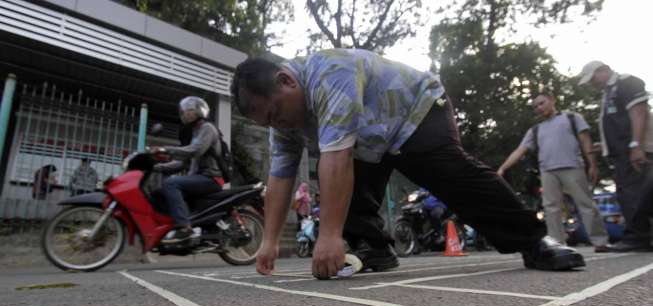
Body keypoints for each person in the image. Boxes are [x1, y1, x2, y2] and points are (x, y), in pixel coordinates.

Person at [231, 49, 585, 280]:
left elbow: (337, 158)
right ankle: (374, 249)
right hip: (370, 139)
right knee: (342, 183)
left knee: (449, 172)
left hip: (416, 110)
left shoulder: (329, 74)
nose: (277, 125)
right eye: (267, 123)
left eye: (275, 114)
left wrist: (329, 236)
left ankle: (535, 241)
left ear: (287, 81)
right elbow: (280, 177)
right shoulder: (282, 123)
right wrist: (270, 241)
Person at [497, 92, 609, 251]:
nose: (539, 108)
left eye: (541, 103)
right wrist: (503, 167)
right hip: (548, 171)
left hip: (572, 166)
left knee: (585, 203)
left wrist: (592, 164)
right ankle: (557, 244)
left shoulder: (572, 118)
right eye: (535, 107)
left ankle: (600, 241)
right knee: (551, 208)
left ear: (552, 100)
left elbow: (585, 140)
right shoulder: (535, 130)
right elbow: (520, 150)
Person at [577, 61, 653, 252]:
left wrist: (636, 145)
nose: (592, 84)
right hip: (623, 150)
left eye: (593, 79)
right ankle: (641, 235)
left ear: (603, 70)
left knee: (633, 193)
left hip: (633, 149)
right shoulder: (609, 92)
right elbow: (620, 124)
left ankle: (637, 237)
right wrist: (605, 145)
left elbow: (639, 112)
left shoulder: (626, 83)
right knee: (636, 192)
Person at [151, 96, 225, 244]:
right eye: (184, 111)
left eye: (189, 110)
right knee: (159, 191)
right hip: (199, 177)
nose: (185, 113)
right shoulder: (196, 134)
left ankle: (184, 228)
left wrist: (166, 149)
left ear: (199, 111)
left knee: (171, 183)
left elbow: (194, 150)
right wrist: (154, 167)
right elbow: (180, 164)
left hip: (210, 178)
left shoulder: (207, 128)